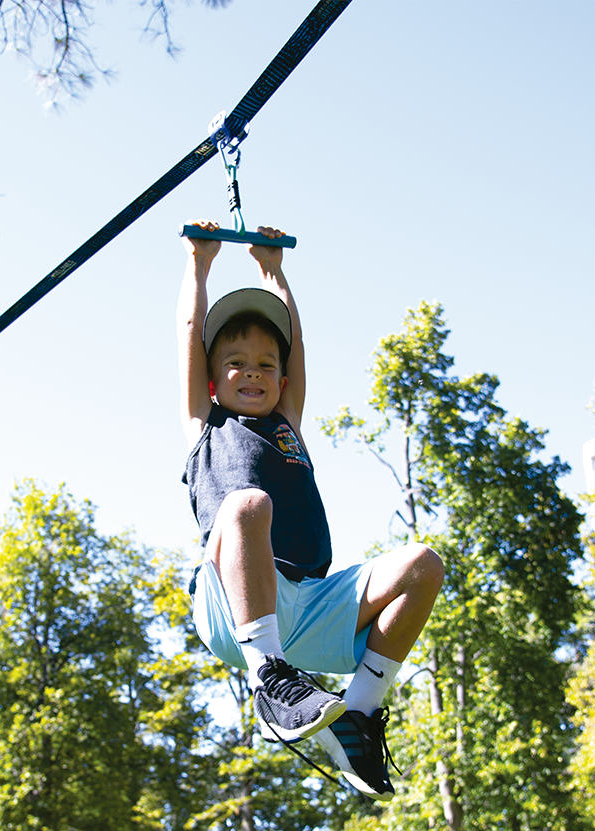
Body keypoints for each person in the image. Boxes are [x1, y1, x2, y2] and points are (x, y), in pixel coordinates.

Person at [177, 222, 444, 800]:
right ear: (210, 378)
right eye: (236, 363)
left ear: (283, 378)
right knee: (248, 504)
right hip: (233, 603)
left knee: (423, 564)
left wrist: (273, 273)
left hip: (310, 604)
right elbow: (190, 334)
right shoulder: (207, 423)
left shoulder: (287, 424)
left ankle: (361, 710)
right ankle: (269, 677)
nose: (253, 372)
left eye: (266, 365)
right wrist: (200, 264)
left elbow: (296, 346)